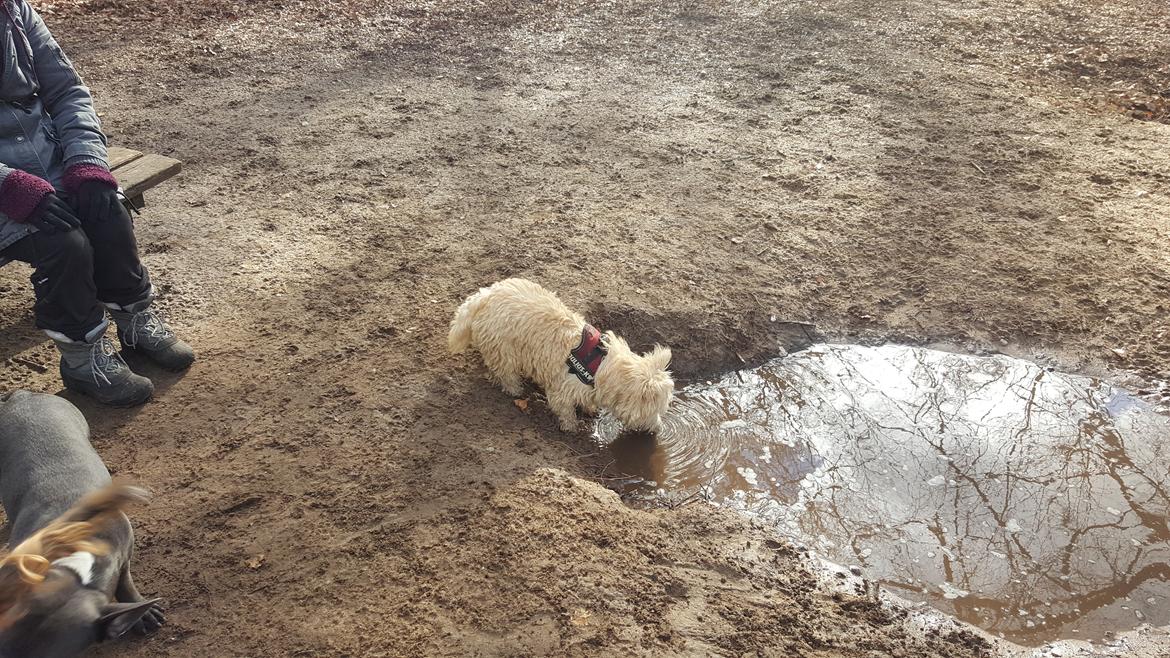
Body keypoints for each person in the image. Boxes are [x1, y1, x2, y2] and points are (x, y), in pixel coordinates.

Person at [0, 0, 193, 406]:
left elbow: (68, 92)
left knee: (109, 213)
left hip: (45, 160)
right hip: (4, 185)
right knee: (64, 244)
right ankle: (82, 360)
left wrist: (87, 162)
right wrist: (9, 186)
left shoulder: (15, 10)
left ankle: (134, 318)